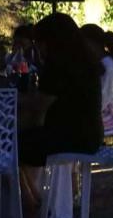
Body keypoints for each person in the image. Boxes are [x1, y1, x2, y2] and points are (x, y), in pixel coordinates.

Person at [18, 12, 104, 169]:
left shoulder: (57, 66)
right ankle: (30, 187)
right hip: (92, 137)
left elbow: (39, 106)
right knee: (19, 142)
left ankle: (24, 187)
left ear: (49, 41)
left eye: (39, 42)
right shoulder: (85, 62)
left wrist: (16, 100)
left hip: (69, 138)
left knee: (9, 145)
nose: (38, 48)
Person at [80, 24, 113, 134]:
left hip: (109, 116)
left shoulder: (107, 65)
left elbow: (103, 98)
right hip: (109, 114)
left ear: (92, 44)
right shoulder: (107, 62)